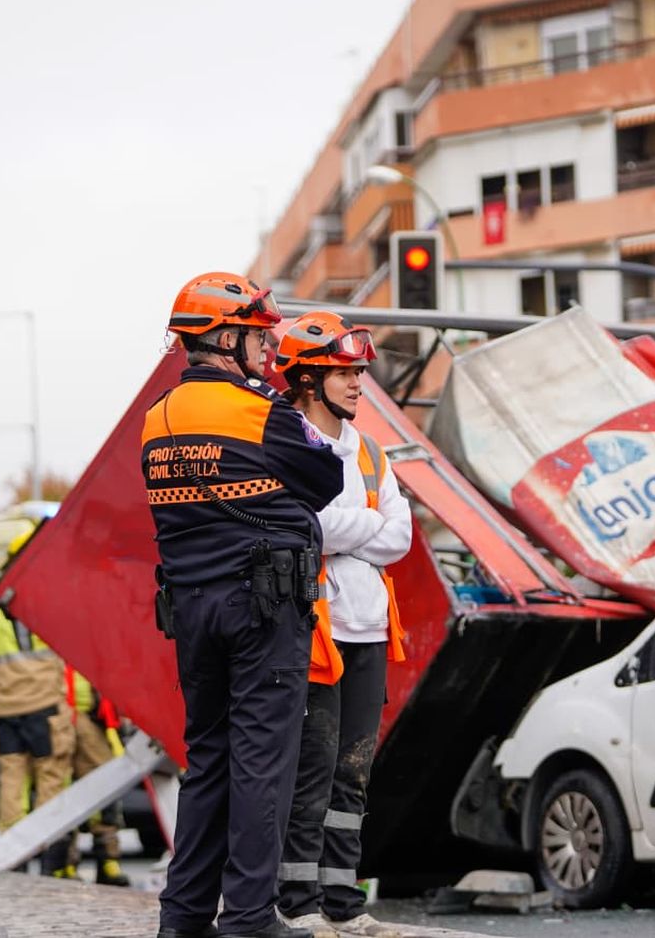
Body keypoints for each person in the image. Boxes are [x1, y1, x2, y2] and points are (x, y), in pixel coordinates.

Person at [143, 271, 343, 938]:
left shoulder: (156, 419)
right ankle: (251, 919)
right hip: (264, 610)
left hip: (193, 610)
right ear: (226, 336)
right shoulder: (261, 409)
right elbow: (325, 475)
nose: (267, 347)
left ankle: (185, 917)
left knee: (208, 760)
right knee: (264, 762)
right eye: (258, 334)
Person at [273, 313, 412, 938]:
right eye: (344, 372)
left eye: (358, 371)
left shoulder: (372, 452)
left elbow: (401, 536)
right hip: (316, 629)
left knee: (353, 770)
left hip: (369, 629)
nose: (358, 383)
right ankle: (296, 900)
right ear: (306, 379)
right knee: (314, 766)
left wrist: (346, 526)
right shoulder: (291, 442)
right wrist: (361, 524)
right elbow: (312, 528)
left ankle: (342, 901)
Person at [0, 536, 75, 852]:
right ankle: (50, 852)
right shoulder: (44, 598)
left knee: (12, 781)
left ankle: (11, 849)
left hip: (5, 710)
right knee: (51, 778)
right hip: (44, 705)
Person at [64, 670, 131, 885]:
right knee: (63, 792)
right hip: (61, 715)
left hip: (93, 717)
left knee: (104, 790)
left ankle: (106, 860)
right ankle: (67, 861)